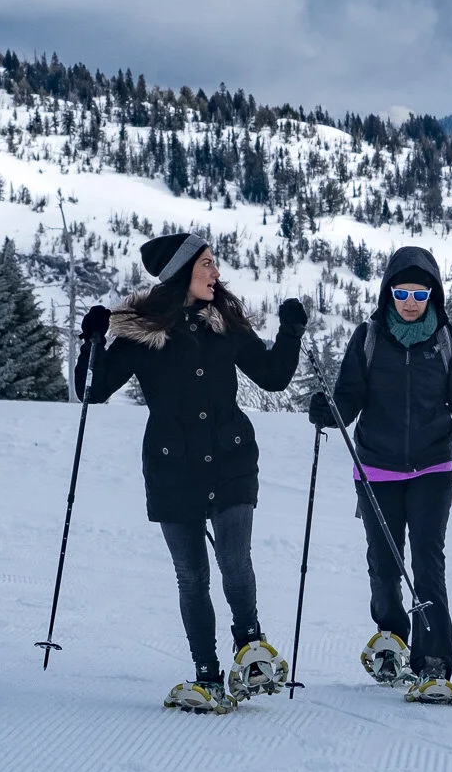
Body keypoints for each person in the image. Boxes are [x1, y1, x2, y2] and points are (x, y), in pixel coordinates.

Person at [75, 232, 307, 714]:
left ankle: (252, 649)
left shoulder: (225, 323)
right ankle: (208, 677)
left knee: (235, 561)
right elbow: (91, 391)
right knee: (191, 576)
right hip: (171, 465)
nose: (215, 273)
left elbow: (273, 377)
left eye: (214, 264)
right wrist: (92, 340)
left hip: (230, 458)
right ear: (183, 273)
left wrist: (291, 331)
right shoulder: (141, 333)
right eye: (206, 264)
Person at [307, 246, 452, 705]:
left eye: (419, 292)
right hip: (377, 468)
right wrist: (330, 413)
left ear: (432, 294)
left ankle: (433, 664)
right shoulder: (368, 337)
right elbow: (349, 397)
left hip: (433, 468)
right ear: (388, 291)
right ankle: (391, 638)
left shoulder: (447, 341)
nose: (409, 300)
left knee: (427, 565)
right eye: (401, 291)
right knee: (384, 567)